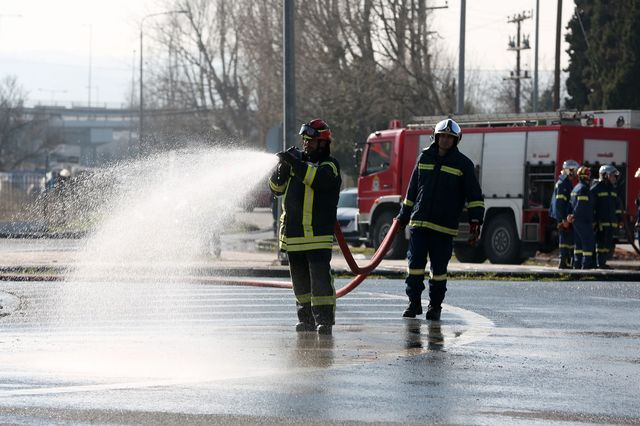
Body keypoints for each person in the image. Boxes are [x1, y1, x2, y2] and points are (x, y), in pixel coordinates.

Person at [396, 118, 484, 321]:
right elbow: (411, 192)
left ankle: (435, 307)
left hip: (444, 228)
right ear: (435, 137)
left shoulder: (463, 165)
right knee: (415, 267)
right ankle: (414, 303)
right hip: (419, 224)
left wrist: (475, 222)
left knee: (438, 272)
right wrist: (403, 217)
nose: (445, 140)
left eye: (449, 137)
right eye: (442, 136)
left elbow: (475, 197)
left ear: (456, 140)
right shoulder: (424, 158)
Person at [268, 119, 341, 335]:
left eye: (311, 140)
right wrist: (281, 168)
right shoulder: (295, 164)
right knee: (300, 285)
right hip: (294, 236)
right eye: (304, 140)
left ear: (323, 143)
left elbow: (316, 180)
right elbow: (276, 189)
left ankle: (324, 321)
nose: (306, 144)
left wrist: (294, 163)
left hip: (317, 236)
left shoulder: (330, 166)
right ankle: (306, 319)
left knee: (320, 284)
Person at [549, 159, 580, 269]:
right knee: (564, 238)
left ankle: (566, 261)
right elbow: (559, 203)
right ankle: (563, 261)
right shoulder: (563, 184)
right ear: (569, 170)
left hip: (565, 216)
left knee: (567, 239)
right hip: (563, 217)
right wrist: (563, 219)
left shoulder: (566, 182)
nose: (576, 173)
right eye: (575, 170)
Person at [591, 165, 619, 269]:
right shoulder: (596, 188)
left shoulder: (612, 189)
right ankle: (599, 263)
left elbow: (617, 205)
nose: (615, 178)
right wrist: (594, 221)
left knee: (606, 244)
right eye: (613, 175)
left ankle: (602, 263)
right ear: (605, 175)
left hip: (610, 222)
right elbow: (591, 206)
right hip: (600, 223)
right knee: (600, 243)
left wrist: (619, 219)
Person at [567, 166, 594, 269]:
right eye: (588, 175)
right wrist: (575, 215)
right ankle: (586, 265)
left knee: (578, 244)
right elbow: (581, 205)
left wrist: (570, 215)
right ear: (585, 177)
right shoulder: (583, 189)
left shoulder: (576, 188)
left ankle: (577, 265)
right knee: (588, 241)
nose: (590, 177)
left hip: (576, 221)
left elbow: (570, 205)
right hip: (583, 220)